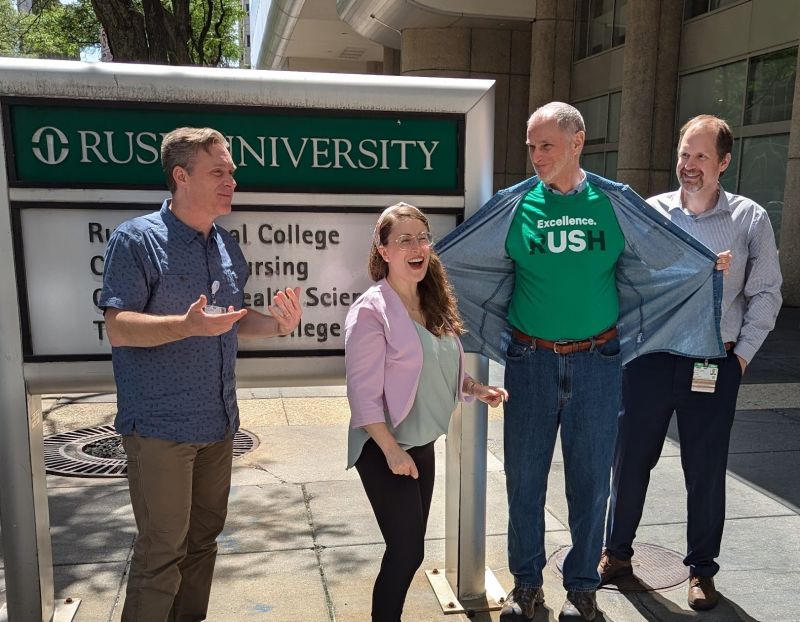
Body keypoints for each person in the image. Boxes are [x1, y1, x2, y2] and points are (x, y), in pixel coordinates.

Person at [435, 102, 729, 622]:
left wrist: (705, 268)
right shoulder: (514, 205)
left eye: (545, 144)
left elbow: (663, 259)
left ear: (578, 142)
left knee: (591, 482)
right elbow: (456, 259)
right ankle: (527, 585)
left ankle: (582, 586)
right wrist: (409, 270)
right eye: (530, 145)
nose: (535, 156)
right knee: (524, 481)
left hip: (599, 363)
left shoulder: (614, 203)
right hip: (530, 360)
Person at [98, 127, 303, 622]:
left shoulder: (227, 246)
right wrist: (184, 325)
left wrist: (276, 325)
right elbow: (118, 327)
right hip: (161, 429)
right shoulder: (137, 239)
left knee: (203, 543)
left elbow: (233, 318)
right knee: (161, 554)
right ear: (181, 176)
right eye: (219, 171)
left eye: (231, 170)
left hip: (218, 426)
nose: (231, 179)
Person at [600, 115, 782, 611]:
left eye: (701, 156)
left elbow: (767, 294)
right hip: (650, 361)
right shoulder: (651, 213)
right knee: (629, 462)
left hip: (713, 363)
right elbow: (625, 280)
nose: (689, 165)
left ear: (723, 162)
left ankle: (701, 571)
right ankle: (616, 553)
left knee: (705, 470)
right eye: (684, 153)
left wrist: (740, 358)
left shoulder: (749, 219)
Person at [344, 202, 508, 622]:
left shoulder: (431, 301)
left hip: (420, 445)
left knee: (409, 552)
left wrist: (476, 388)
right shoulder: (371, 311)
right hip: (384, 449)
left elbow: (441, 368)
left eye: (422, 238)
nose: (417, 247)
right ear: (383, 251)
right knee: (406, 551)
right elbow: (363, 398)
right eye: (403, 240)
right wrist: (392, 452)